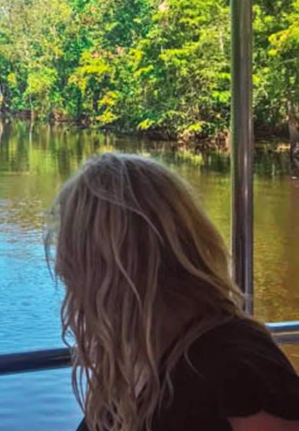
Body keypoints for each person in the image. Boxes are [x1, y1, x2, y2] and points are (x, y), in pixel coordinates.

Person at [46, 153, 299, 431]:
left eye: (73, 258)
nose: (63, 269)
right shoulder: (138, 359)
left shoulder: (239, 365)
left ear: (114, 271)